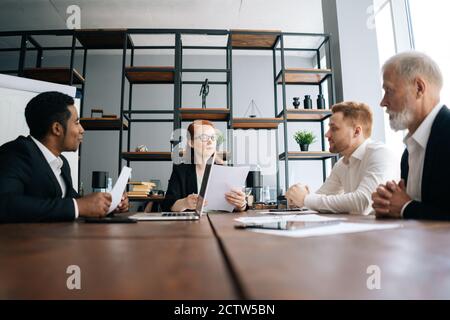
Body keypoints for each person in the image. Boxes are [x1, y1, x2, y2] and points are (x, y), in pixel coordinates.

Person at [0, 91, 128, 223]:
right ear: (57, 129)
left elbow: (74, 201)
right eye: (77, 122)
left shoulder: (62, 164)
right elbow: (5, 204)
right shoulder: (16, 152)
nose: (82, 129)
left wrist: (107, 204)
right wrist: (78, 206)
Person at [372, 51, 450, 220]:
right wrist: (389, 206)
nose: (383, 102)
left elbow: (411, 208)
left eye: (389, 91)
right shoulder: (408, 152)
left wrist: (405, 207)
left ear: (419, 88)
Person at [285, 101, 398, 215]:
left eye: (334, 129)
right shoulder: (341, 164)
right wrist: (298, 198)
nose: (327, 135)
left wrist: (306, 199)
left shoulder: (380, 153)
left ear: (356, 131)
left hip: (386, 231)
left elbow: (363, 202)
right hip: (361, 229)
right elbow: (319, 199)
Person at [161, 120, 246, 212]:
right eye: (204, 137)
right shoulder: (181, 170)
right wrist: (185, 203)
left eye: (213, 138)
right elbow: (168, 205)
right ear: (191, 143)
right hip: (193, 225)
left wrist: (241, 205)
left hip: (221, 223)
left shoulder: (225, 170)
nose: (210, 141)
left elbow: (237, 207)